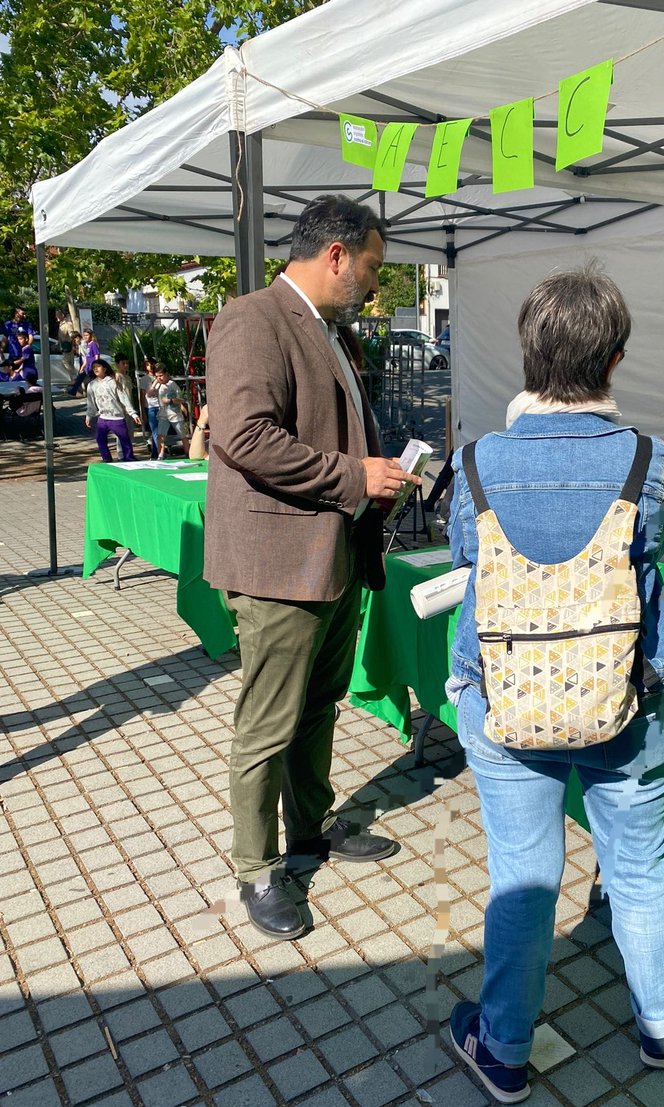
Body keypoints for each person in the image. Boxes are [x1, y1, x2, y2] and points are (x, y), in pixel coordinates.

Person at [445, 265, 664, 1103]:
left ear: (527, 355)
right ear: (615, 359)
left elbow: (467, 568)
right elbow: (654, 572)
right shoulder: (650, 463)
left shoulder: (476, 463)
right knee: (642, 868)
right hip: (626, 701)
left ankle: (505, 1047)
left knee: (524, 871)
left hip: (505, 700)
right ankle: (660, 1028)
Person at [204, 194, 420, 940]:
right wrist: (355, 477)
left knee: (319, 706)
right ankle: (256, 872)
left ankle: (309, 832)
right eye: (372, 266)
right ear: (335, 254)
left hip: (329, 561)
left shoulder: (328, 332)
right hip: (277, 568)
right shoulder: (253, 318)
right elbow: (246, 437)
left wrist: (378, 477)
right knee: (268, 724)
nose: (374, 283)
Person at [85, 357, 141, 462]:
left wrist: (133, 413)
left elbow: (124, 398)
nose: (96, 369)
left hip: (117, 418)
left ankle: (128, 458)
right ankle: (107, 460)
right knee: (100, 440)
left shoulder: (113, 382)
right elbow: (91, 403)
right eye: (93, 367)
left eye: (98, 367)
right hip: (102, 418)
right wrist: (89, 415)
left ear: (105, 369)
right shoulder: (92, 385)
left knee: (125, 440)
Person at [154, 365, 190, 459]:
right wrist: (155, 383)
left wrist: (170, 400)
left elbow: (180, 399)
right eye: (157, 376)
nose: (159, 378)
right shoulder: (157, 384)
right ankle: (160, 455)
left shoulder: (172, 384)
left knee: (182, 435)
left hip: (174, 414)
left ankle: (188, 453)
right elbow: (149, 393)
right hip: (163, 414)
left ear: (166, 374)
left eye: (161, 375)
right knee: (160, 435)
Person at [138, 356, 160, 458]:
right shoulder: (144, 379)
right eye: (147, 364)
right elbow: (142, 397)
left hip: (161, 406)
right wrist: (142, 412)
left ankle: (157, 452)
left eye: (152, 364)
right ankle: (157, 453)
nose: (150, 366)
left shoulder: (160, 376)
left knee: (160, 431)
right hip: (150, 407)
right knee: (154, 431)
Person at [68, 328, 99, 395]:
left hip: (90, 365)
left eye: (75, 339)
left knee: (89, 379)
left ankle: (74, 391)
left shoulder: (85, 344)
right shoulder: (85, 344)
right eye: (84, 335)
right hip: (86, 365)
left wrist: (96, 364)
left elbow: (93, 355)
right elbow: (87, 357)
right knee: (83, 378)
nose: (74, 341)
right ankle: (75, 391)